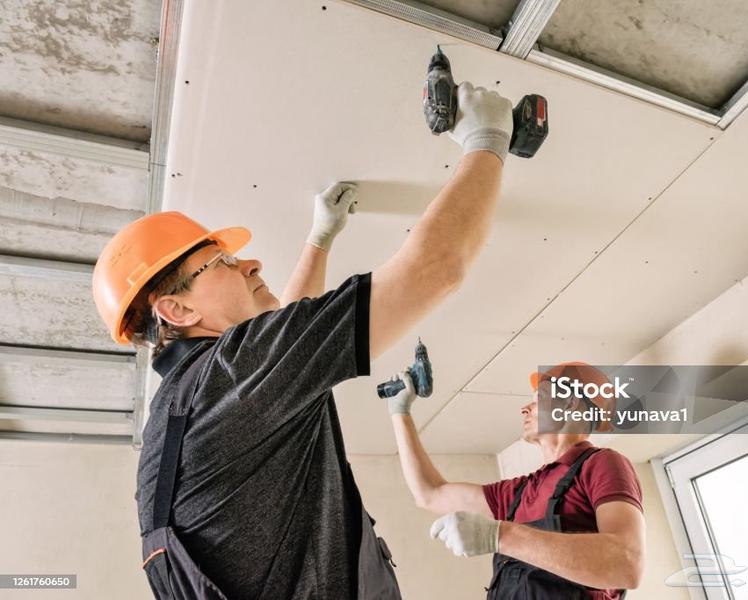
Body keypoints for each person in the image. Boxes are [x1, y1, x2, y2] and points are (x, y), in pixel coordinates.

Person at [91, 81, 515, 599]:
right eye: (221, 261)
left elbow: (285, 341)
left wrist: (321, 238)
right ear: (177, 309)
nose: (250, 262)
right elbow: (435, 269)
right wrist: (488, 138)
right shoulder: (235, 373)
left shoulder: (179, 413)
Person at [387, 362, 646, 599]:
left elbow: (627, 562)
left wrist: (500, 535)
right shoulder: (519, 492)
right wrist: (400, 412)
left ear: (569, 404)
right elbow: (430, 494)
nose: (524, 408)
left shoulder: (601, 464)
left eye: (538, 399)